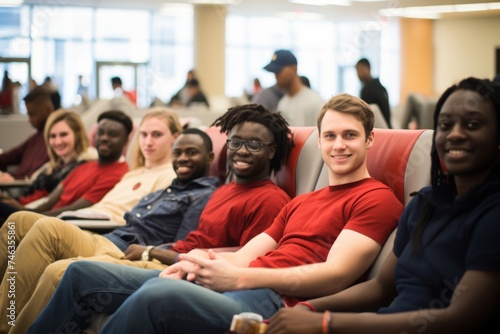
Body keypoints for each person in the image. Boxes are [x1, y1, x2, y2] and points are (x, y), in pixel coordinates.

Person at [29, 94, 404, 334]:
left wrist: (241, 278)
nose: (339, 145)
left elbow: (335, 274)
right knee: (80, 273)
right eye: (331, 136)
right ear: (320, 140)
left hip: (271, 301)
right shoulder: (302, 200)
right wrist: (197, 264)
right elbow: (243, 256)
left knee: (158, 295)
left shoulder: (376, 198)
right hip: (241, 284)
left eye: (350, 135)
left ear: (370, 139)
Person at [4, 103, 294, 333]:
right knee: (48, 243)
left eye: (254, 145)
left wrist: (154, 252)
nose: (242, 151)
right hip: (168, 256)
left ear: (273, 151)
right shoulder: (228, 189)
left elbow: (246, 266)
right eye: (235, 142)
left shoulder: (269, 199)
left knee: (65, 267)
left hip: (184, 271)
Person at [265, 77, 500, 333]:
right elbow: (381, 288)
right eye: (445, 125)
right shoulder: (425, 203)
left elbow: (460, 319)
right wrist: (309, 309)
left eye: (472, 124)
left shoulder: (492, 213)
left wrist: (326, 323)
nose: (455, 134)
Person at [0, 129, 220, 334]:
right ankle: (4, 318)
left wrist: (149, 251)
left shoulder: (203, 195)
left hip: (135, 254)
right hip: (110, 237)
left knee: (53, 251)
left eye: (191, 153)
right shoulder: (166, 189)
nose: (182, 158)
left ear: (209, 158)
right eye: (178, 153)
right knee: (19, 220)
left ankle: (8, 328)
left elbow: (183, 245)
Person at [59, 107, 181, 224]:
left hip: (103, 231)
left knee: (44, 226)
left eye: (157, 135)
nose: (148, 142)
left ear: (175, 138)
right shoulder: (132, 174)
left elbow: (144, 223)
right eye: (144, 135)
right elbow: (103, 207)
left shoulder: (170, 176)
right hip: (84, 220)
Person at [0, 110, 97, 221]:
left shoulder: (84, 166)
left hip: (34, 214)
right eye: (53, 136)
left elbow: (51, 204)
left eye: (63, 135)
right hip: (21, 205)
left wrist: (18, 206)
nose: (57, 141)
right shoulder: (53, 165)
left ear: (78, 135)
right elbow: (29, 189)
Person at [0, 86, 54, 181]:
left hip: (21, 188)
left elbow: (34, 180)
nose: (29, 120)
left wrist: (12, 181)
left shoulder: (54, 141)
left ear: (48, 110)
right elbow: (12, 155)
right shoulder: (36, 137)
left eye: (32, 114)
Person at [263, 49, 324, 126]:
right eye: (275, 72)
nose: (276, 76)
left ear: (293, 68)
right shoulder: (283, 103)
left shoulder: (314, 102)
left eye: (279, 71)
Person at [355, 58, 392, 128]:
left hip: (380, 128)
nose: (358, 74)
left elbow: (364, 116)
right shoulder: (381, 87)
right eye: (357, 71)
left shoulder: (367, 89)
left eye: (360, 70)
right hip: (388, 127)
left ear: (368, 68)